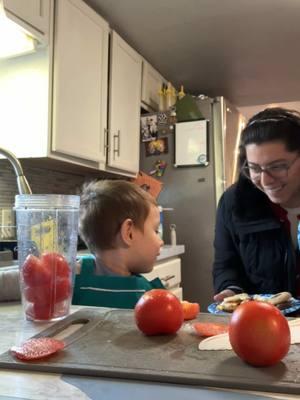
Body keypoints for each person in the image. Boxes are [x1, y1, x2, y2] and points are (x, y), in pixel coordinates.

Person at [213, 107, 300, 303]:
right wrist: (230, 290)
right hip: (262, 323)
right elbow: (226, 265)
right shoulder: (234, 203)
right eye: (254, 168)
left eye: (277, 166)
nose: (266, 181)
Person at [72, 179, 165, 308]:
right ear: (129, 233)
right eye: (155, 230)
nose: (161, 242)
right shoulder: (148, 297)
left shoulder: (72, 277)